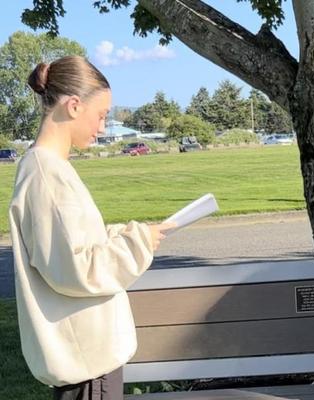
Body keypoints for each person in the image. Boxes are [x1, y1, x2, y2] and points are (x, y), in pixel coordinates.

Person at [9, 56, 175, 400]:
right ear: (73, 106)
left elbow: (76, 244)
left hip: (87, 359)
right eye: (101, 116)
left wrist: (131, 234)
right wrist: (137, 244)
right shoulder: (46, 174)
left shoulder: (47, 169)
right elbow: (75, 268)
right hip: (87, 363)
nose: (102, 128)